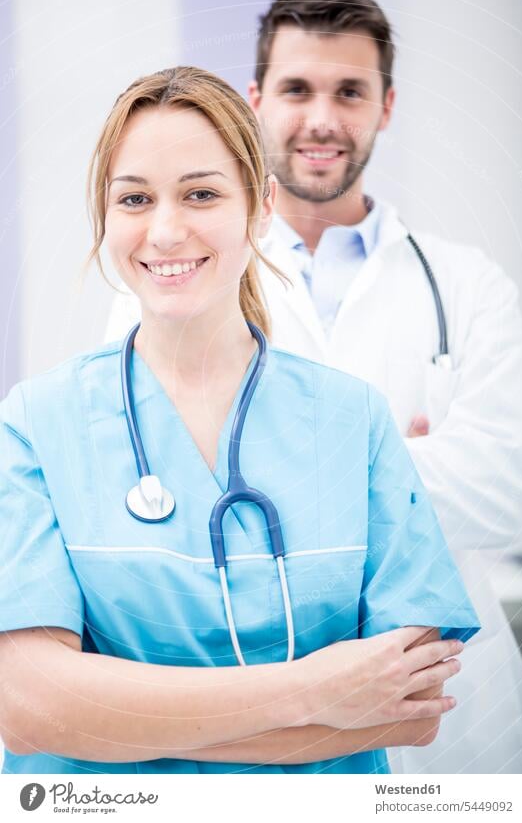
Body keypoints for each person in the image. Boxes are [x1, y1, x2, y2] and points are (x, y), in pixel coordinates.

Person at [105, 0, 522, 774]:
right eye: (298, 89)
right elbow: (149, 482)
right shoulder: (175, 271)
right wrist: (391, 462)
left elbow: (509, 490)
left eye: (350, 91)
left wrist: (269, 452)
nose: (322, 119)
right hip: (258, 707)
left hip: (455, 731)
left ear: (387, 106)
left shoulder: (468, 286)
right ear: (257, 99)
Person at [0, 66, 479, 775]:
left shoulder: (353, 421)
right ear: (105, 216)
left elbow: (407, 707)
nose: (165, 230)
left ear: (260, 207)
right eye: (134, 198)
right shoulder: (38, 421)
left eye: (200, 193)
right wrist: (319, 690)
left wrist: (110, 715)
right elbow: (28, 706)